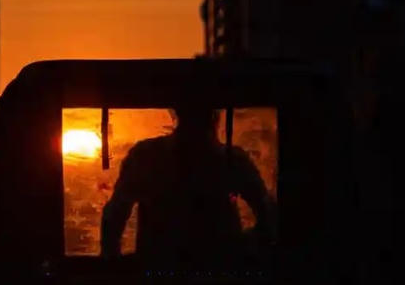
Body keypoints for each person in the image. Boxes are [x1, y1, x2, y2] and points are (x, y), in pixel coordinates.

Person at [99, 103, 276, 264]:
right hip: (217, 275)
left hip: (159, 275)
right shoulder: (232, 160)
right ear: (216, 114)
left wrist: (117, 270)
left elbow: (115, 216)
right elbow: (267, 215)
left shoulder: (146, 156)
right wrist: (239, 248)